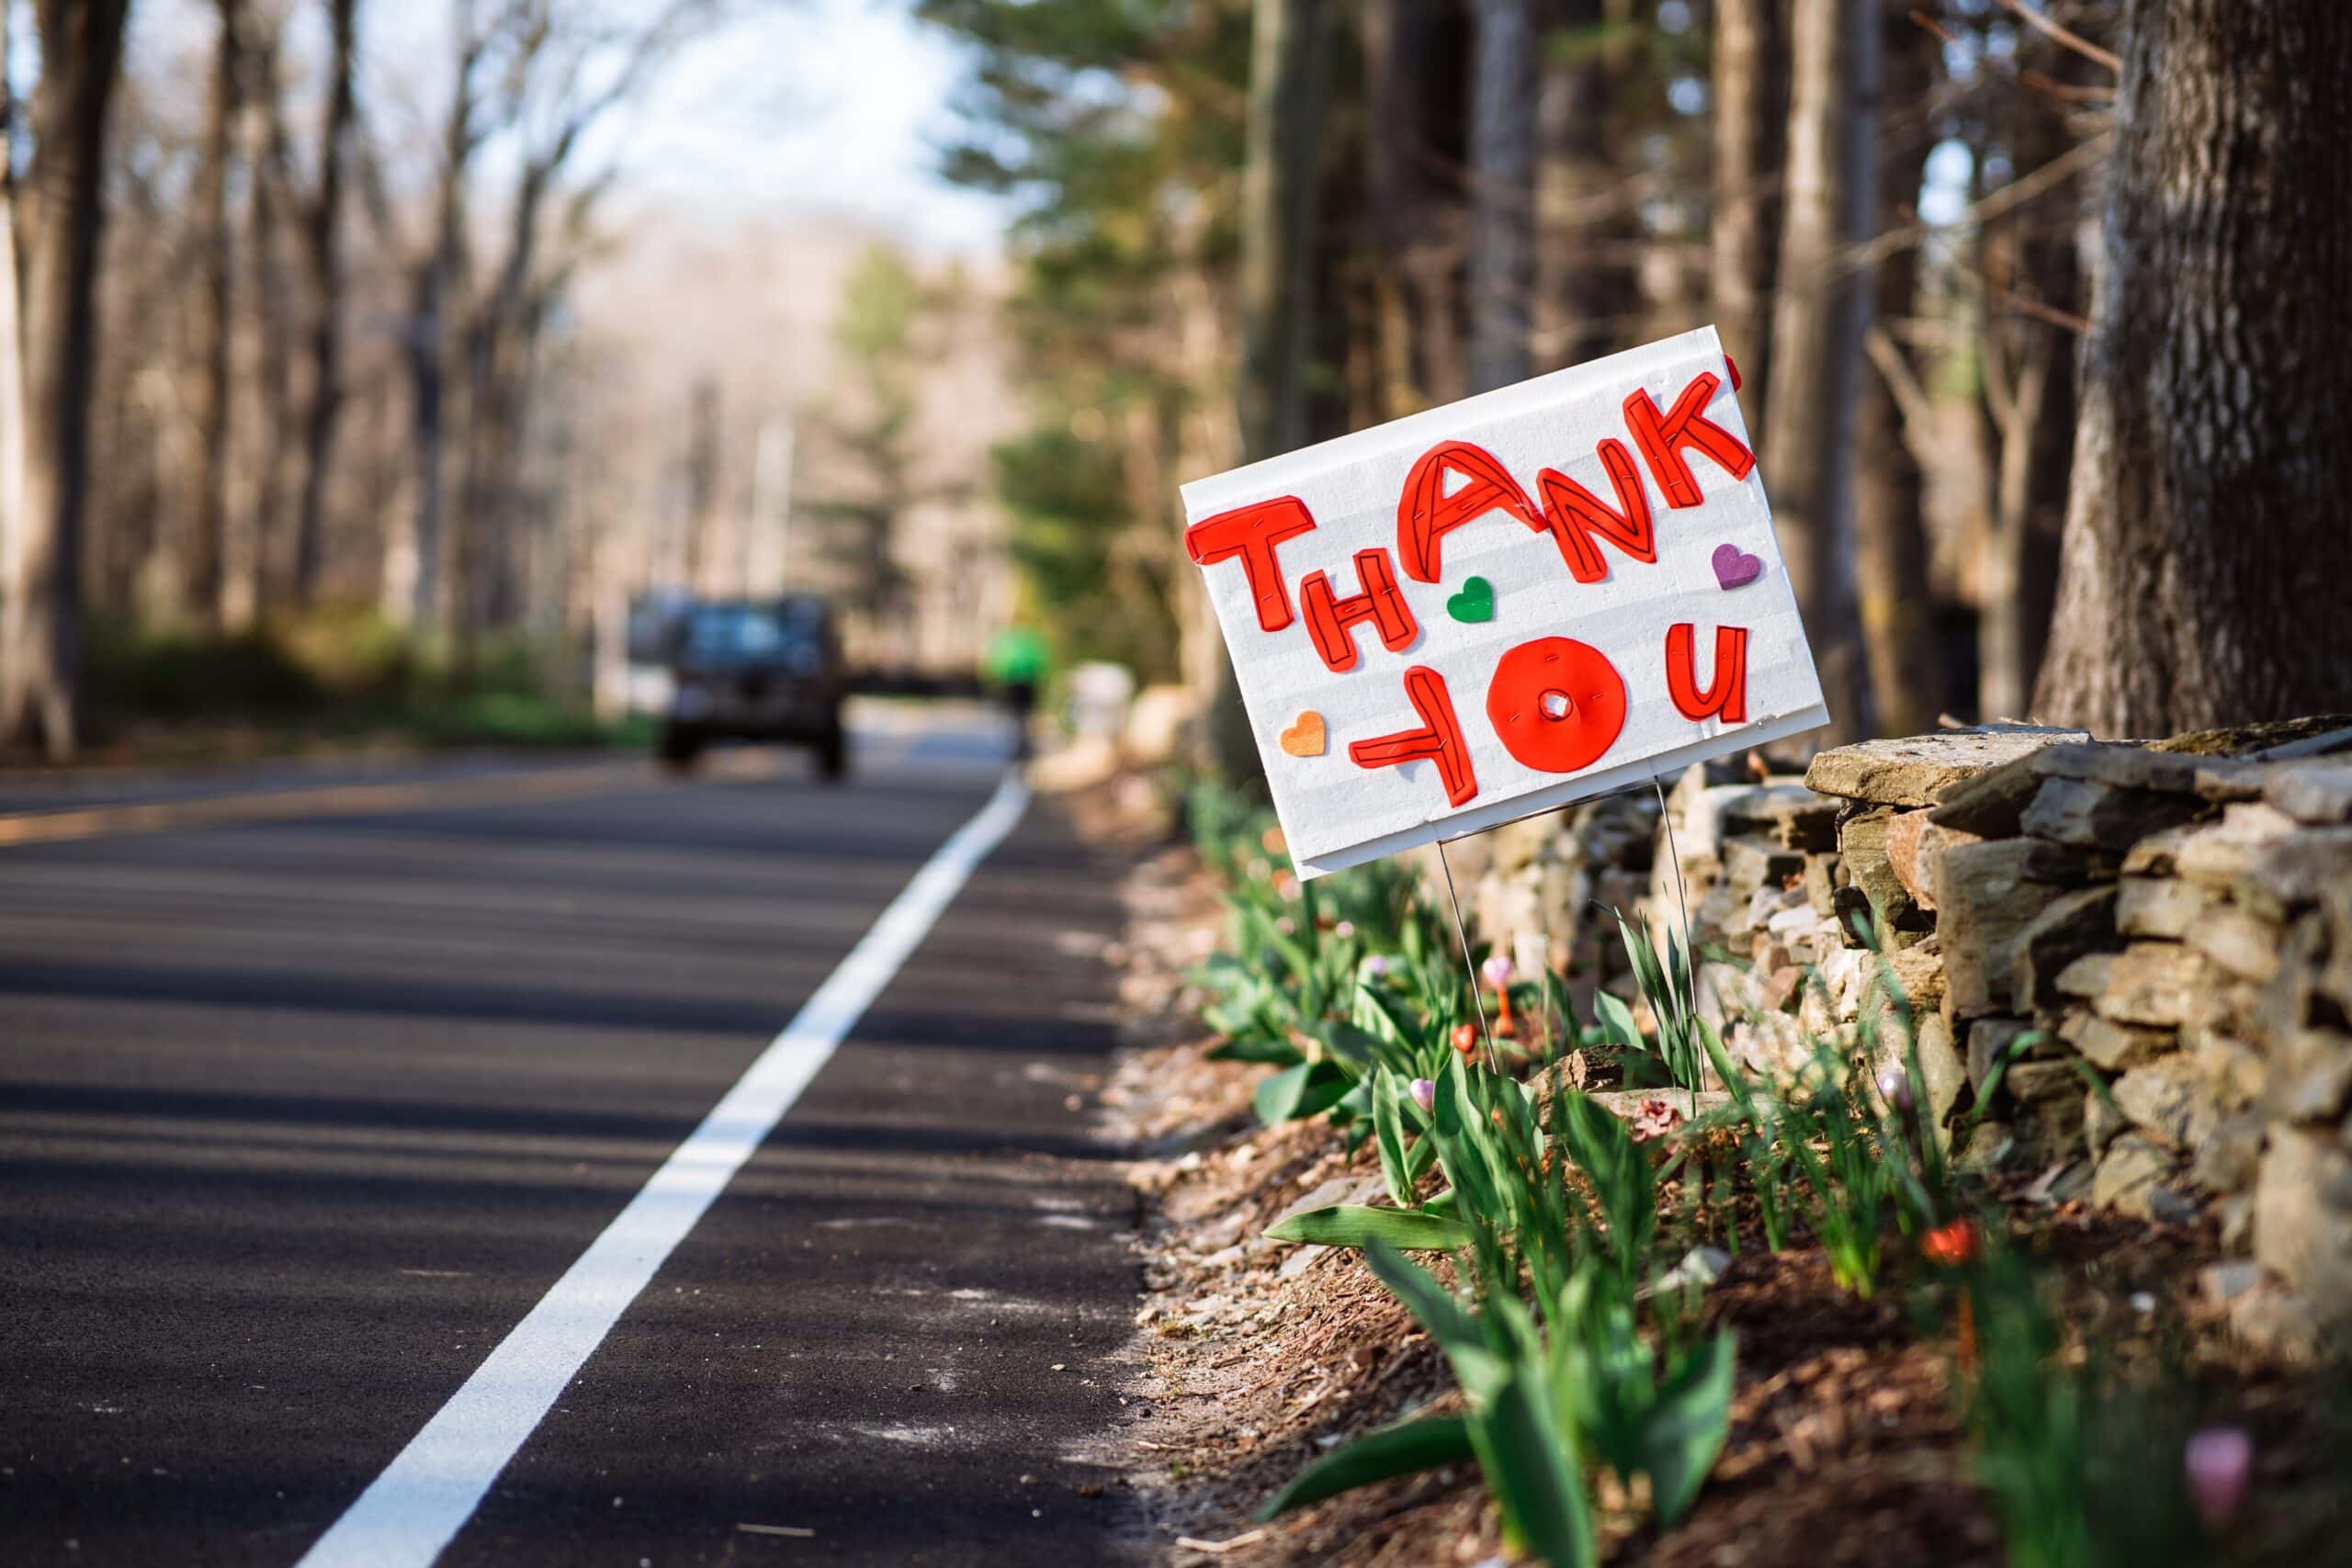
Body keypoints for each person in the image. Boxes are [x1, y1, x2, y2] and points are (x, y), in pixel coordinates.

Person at [984, 625, 1048, 760]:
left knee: (1012, 712)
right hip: (1029, 683)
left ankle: (1013, 737)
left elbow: (998, 664)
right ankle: (1023, 738)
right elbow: (1042, 663)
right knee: (1025, 714)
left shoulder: (1009, 643)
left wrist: (995, 680)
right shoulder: (1032, 643)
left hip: (1011, 683)